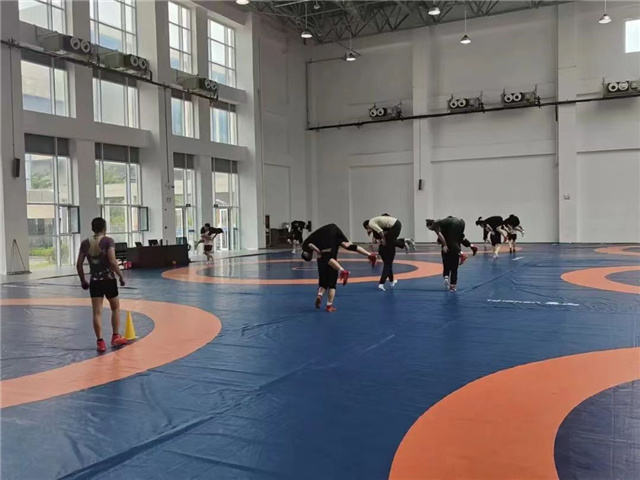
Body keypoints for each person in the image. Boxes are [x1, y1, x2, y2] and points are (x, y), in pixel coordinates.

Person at [76, 217, 128, 352]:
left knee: (97, 312)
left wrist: (83, 280)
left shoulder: (85, 243)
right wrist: (121, 276)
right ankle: (115, 336)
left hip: (95, 281)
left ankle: (100, 342)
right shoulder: (108, 241)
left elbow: (79, 264)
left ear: (92, 228)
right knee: (115, 308)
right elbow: (112, 261)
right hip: (108, 279)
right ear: (104, 228)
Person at [301, 223, 376, 312]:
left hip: (329, 236)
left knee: (324, 282)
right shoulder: (316, 242)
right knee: (347, 246)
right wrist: (318, 251)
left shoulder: (307, 246)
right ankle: (369, 254)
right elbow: (312, 246)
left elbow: (310, 246)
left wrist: (318, 252)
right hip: (333, 231)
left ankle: (324, 299)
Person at [426, 217, 476, 292]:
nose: (430, 230)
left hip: (455, 224)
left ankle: (461, 254)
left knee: (451, 241)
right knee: (459, 238)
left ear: (430, 225)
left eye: (429, 228)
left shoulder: (436, 225)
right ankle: (471, 246)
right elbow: (460, 237)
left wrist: (445, 245)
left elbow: (440, 235)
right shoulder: (444, 226)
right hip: (461, 222)